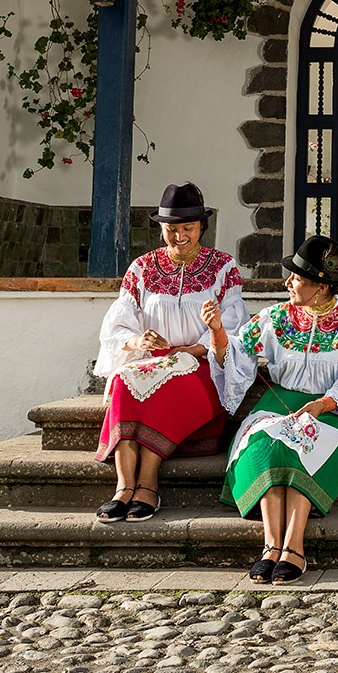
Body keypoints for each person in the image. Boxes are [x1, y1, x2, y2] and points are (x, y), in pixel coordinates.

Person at [201, 234, 338, 584]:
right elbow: (237, 357)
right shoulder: (274, 318)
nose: (288, 283)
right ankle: (271, 547)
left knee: (305, 445)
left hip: (336, 410)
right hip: (281, 403)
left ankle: (294, 547)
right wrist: (217, 333)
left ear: (320, 286)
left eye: (297, 278)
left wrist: (320, 404)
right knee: (268, 444)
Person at [92, 182, 249, 523]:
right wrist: (138, 342)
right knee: (122, 382)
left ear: (201, 227)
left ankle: (147, 484)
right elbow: (118, 324)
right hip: (150, 362)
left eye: (187, 229)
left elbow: (233, 329)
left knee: (169, 386)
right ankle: (123, 487)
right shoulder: (142, 268)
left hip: (201, 365)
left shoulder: (222, 267)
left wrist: (193, 347)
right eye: (171, 229)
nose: (179, 236)